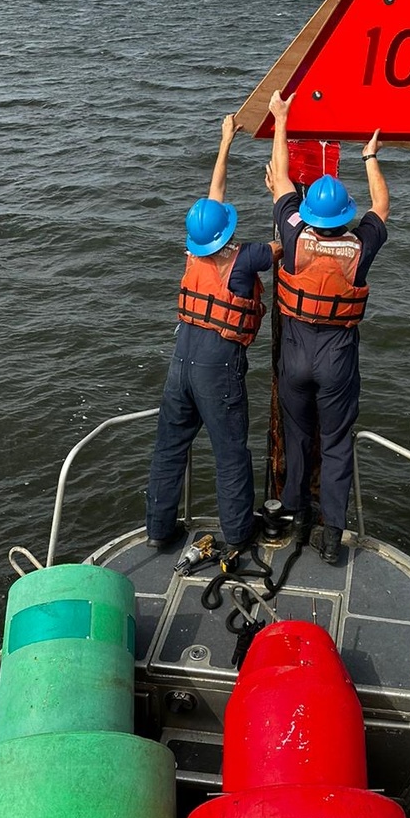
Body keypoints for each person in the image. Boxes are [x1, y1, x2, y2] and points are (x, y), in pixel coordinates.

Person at [265, 90, 390, 564]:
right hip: (337, 363)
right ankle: (331, 534)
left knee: (296, 439)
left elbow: (279, 182)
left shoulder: (294, 236)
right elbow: (382, 204)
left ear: (312, 214)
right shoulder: (360, 248)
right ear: (343, 216)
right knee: (336, 444)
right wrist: (370, 156)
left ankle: (295, 516)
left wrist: (281, 118)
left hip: (294, 360)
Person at [146, 114, 279, 553]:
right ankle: (240, 535)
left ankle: (159, 530)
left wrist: (225, 143)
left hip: (180, 361)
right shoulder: (245, 259)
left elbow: (211, 199)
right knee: (230, 456)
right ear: (226, 233)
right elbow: (285, 243)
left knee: (169, 450)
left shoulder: (193, 253)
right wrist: (281, 196)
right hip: (217, 367)